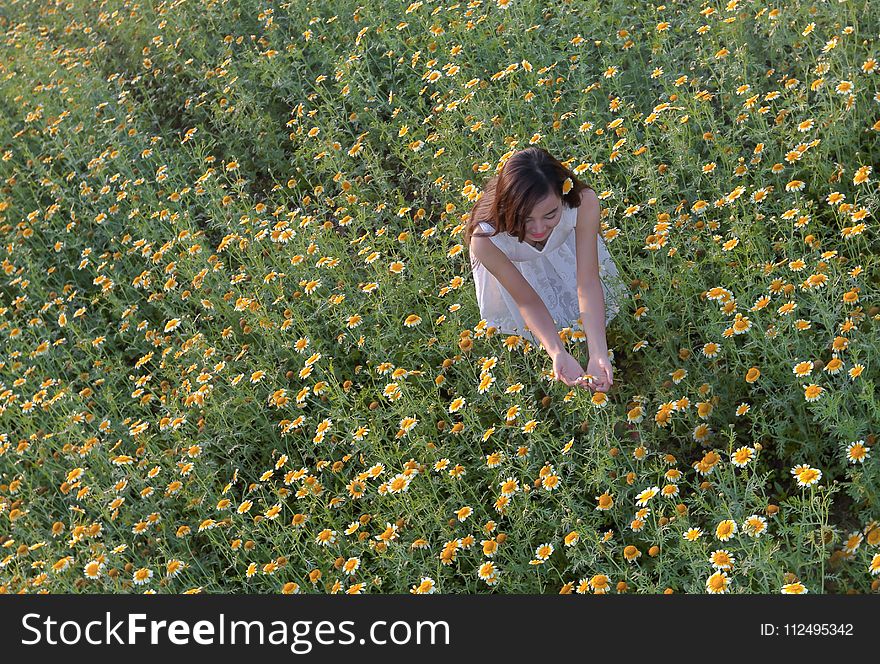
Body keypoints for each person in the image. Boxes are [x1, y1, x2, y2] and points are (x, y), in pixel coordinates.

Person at [464, 146, 628, 393]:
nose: (539, 228)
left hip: (566, 252)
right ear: (508, 208)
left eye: (550, 214)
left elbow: (587, 282)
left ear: (563, 197)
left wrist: (598, 353)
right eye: (525, 218)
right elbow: (526, 300)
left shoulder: (583, 203)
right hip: (513, 262)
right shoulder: (485, 240)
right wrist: (557, 351)